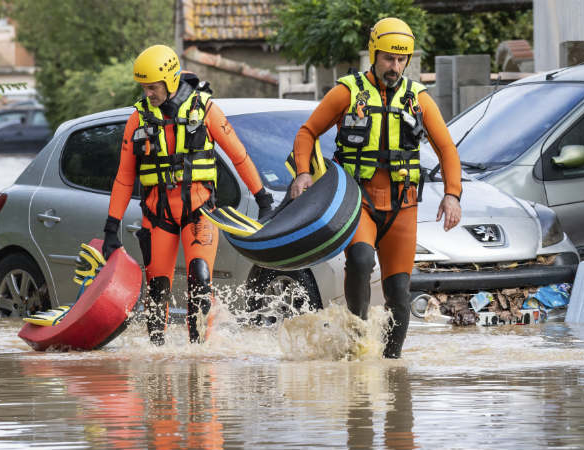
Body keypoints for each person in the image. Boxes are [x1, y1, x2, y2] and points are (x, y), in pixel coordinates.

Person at [290, 18, 462, 358]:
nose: (394, 67)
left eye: (401, 60)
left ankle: (391, 366)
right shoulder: (347, 92)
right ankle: (357, 349)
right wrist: (303, 173)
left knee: (399, 291)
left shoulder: (419, 100)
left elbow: (447, 149)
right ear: (374, 54)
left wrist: (452, 194)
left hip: (403, 206)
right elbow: (307, 132)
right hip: (359, 203)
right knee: (360, 258)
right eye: (388, 59)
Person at [102, 45, 273, 345]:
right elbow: (124, 177)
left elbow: (239, 156)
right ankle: (157, 360)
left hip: (199, 211)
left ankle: (199, 357)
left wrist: (263, 201)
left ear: (169, 81)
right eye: (143, 88)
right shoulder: (137, 119)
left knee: (200, 278)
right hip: (158, 216)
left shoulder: (205, 109)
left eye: (152, 88)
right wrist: (111, 228)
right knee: (157, 291)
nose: (147, 94)